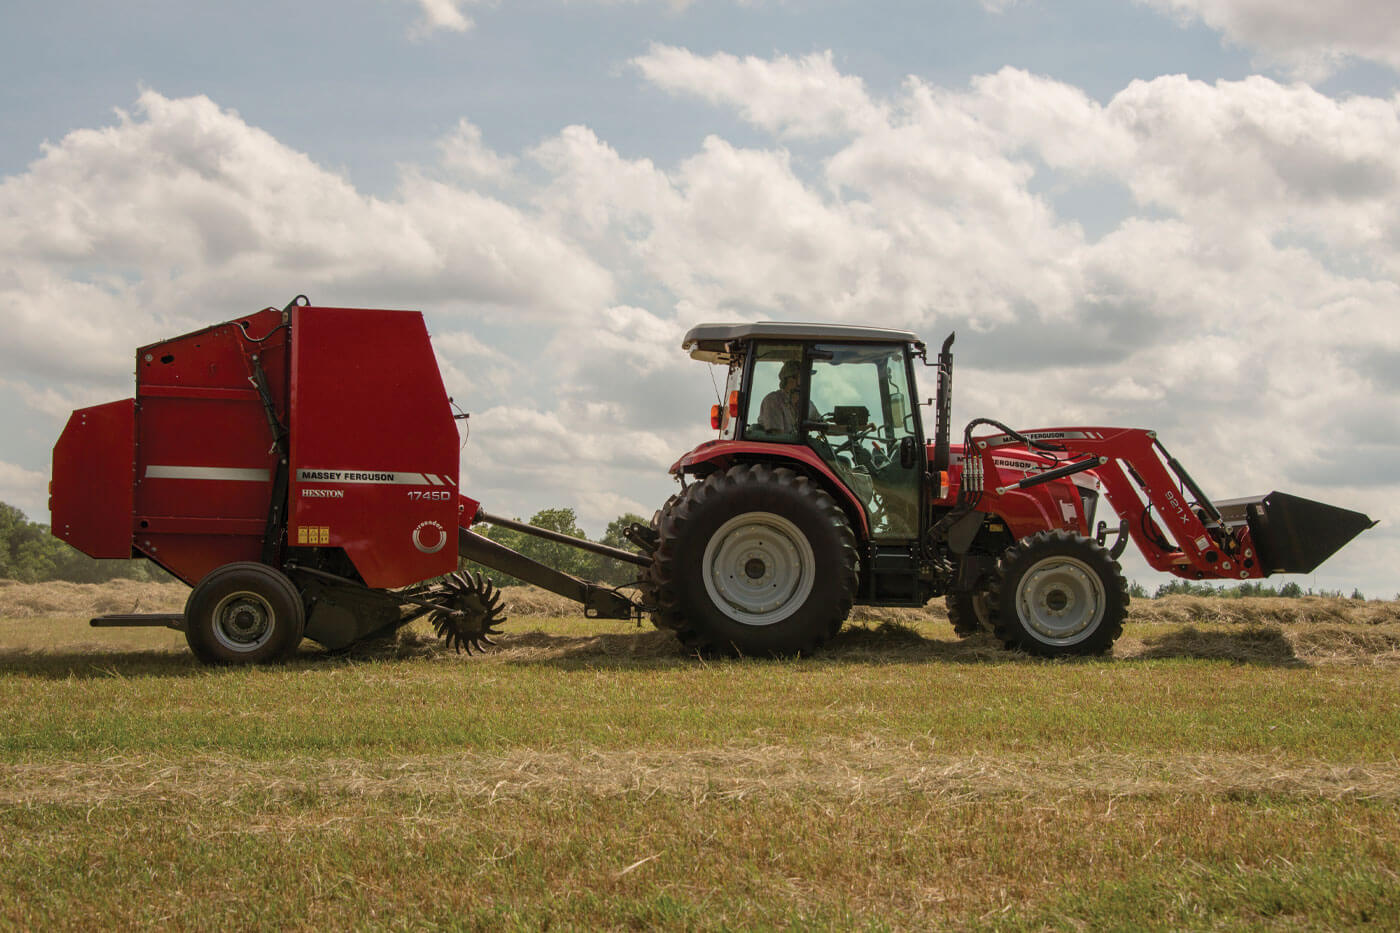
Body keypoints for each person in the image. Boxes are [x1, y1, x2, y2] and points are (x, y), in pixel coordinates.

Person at [757, 360, 818, 435]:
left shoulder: (807, 404)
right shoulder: (773, 401)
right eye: (801, 378)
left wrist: (835, 428)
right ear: (787, 379)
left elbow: (822, 425)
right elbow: (777, 437)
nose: (804, 383)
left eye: (806, 379)